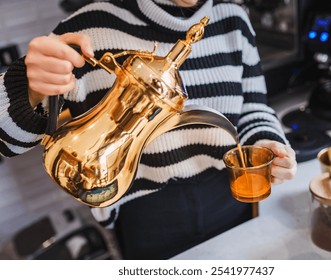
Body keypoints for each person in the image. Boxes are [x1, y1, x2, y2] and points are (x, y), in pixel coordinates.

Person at [0, 0, 297, 259]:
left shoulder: (235, 20)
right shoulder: (90, 28)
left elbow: (253, 106)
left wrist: (267, 141)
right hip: (147, 218)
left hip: (231, 200)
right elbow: (6, 141)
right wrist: (28, 87)